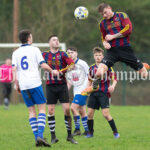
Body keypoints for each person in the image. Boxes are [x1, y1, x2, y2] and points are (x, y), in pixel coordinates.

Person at [12, 29, 56, 147]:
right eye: (31, 36)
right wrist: (53, 71)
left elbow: (14, 70)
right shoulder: (35, 49)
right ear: (29, 39)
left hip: (23, 84)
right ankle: (40, 136)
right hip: (34, 83)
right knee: (42, 109)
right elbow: (43, 65)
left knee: (31, 111)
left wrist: (17, 84)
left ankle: (37, 138)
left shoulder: (15, 53)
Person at [90, 3, 148, 90]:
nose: (104, 15)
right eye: (102, 14)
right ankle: (95, 82)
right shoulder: (102, 23)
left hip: (125, 50)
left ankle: (142, 65)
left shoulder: (121, 15)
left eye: (105, 12)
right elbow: (103, 37)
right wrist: (104, 43)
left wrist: (113, 36)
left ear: (110, 8)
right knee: (98, 73)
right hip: (112, 52)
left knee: (144, 74)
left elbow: (128, 29)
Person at [42, 35, 77, 144]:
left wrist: (62, 71)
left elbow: (72, 64)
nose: (57, 41)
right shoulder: (44, 55)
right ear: (49, 43)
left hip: (62, 85)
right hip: (50, 86)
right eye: (54, 40)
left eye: (57, 40)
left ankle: (70, 136)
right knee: (51, 111)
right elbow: (41, 64)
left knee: (67, 110)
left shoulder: (63, 54)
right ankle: (53, 137)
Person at [82, 47, 119, 138]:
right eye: (96, 55)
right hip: (93, 94)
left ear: (103, 56)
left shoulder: (107, 67)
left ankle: (115, 132)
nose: (98, 57)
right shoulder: (91, 68)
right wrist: (88, 89)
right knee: (89, 114)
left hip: (103, 93)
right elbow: (90, 81)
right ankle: (90, 133)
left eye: (99, 55)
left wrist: (112, 86)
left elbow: (115, 79)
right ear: (94, 56)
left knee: (106, 114)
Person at [66, 47, 89, 136]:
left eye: (72, 52)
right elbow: (69, 81)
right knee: (82, 111)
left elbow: (90, 75)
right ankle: (87, 130)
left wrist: (88, 88)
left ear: (76, 53)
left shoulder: (82, 63)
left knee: (73, 108)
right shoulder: (68, 66)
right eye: (68, 53)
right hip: (76, 91)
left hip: (83, 91)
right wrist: (64, 91)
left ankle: (77, 129)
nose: (70, 54)